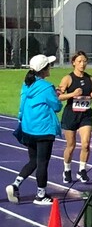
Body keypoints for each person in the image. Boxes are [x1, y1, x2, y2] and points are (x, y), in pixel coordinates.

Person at [6, 55, 62, 205]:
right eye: (49, 65)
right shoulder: (47, 87)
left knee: (33, 161)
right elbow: (57, 106)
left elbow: (22, 105)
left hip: (28, 128)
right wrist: (57, 95)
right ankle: (40, 195)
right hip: (43, 129)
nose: (50, 67)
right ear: (43, 69)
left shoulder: (27, 84)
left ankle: (15, 184)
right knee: (42, 162)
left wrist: (21, 119)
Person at [58, 51, 92, 184]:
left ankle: (82, 170)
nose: (82, 64)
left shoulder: (91, 79)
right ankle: (67, 170)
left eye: (84, 61)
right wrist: (72, 94)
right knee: (71, 145)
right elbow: (59, 96)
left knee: (86, 144)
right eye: (79, 61)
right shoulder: (68, 79)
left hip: (85, 114)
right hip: (71, 114)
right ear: (73, 63)